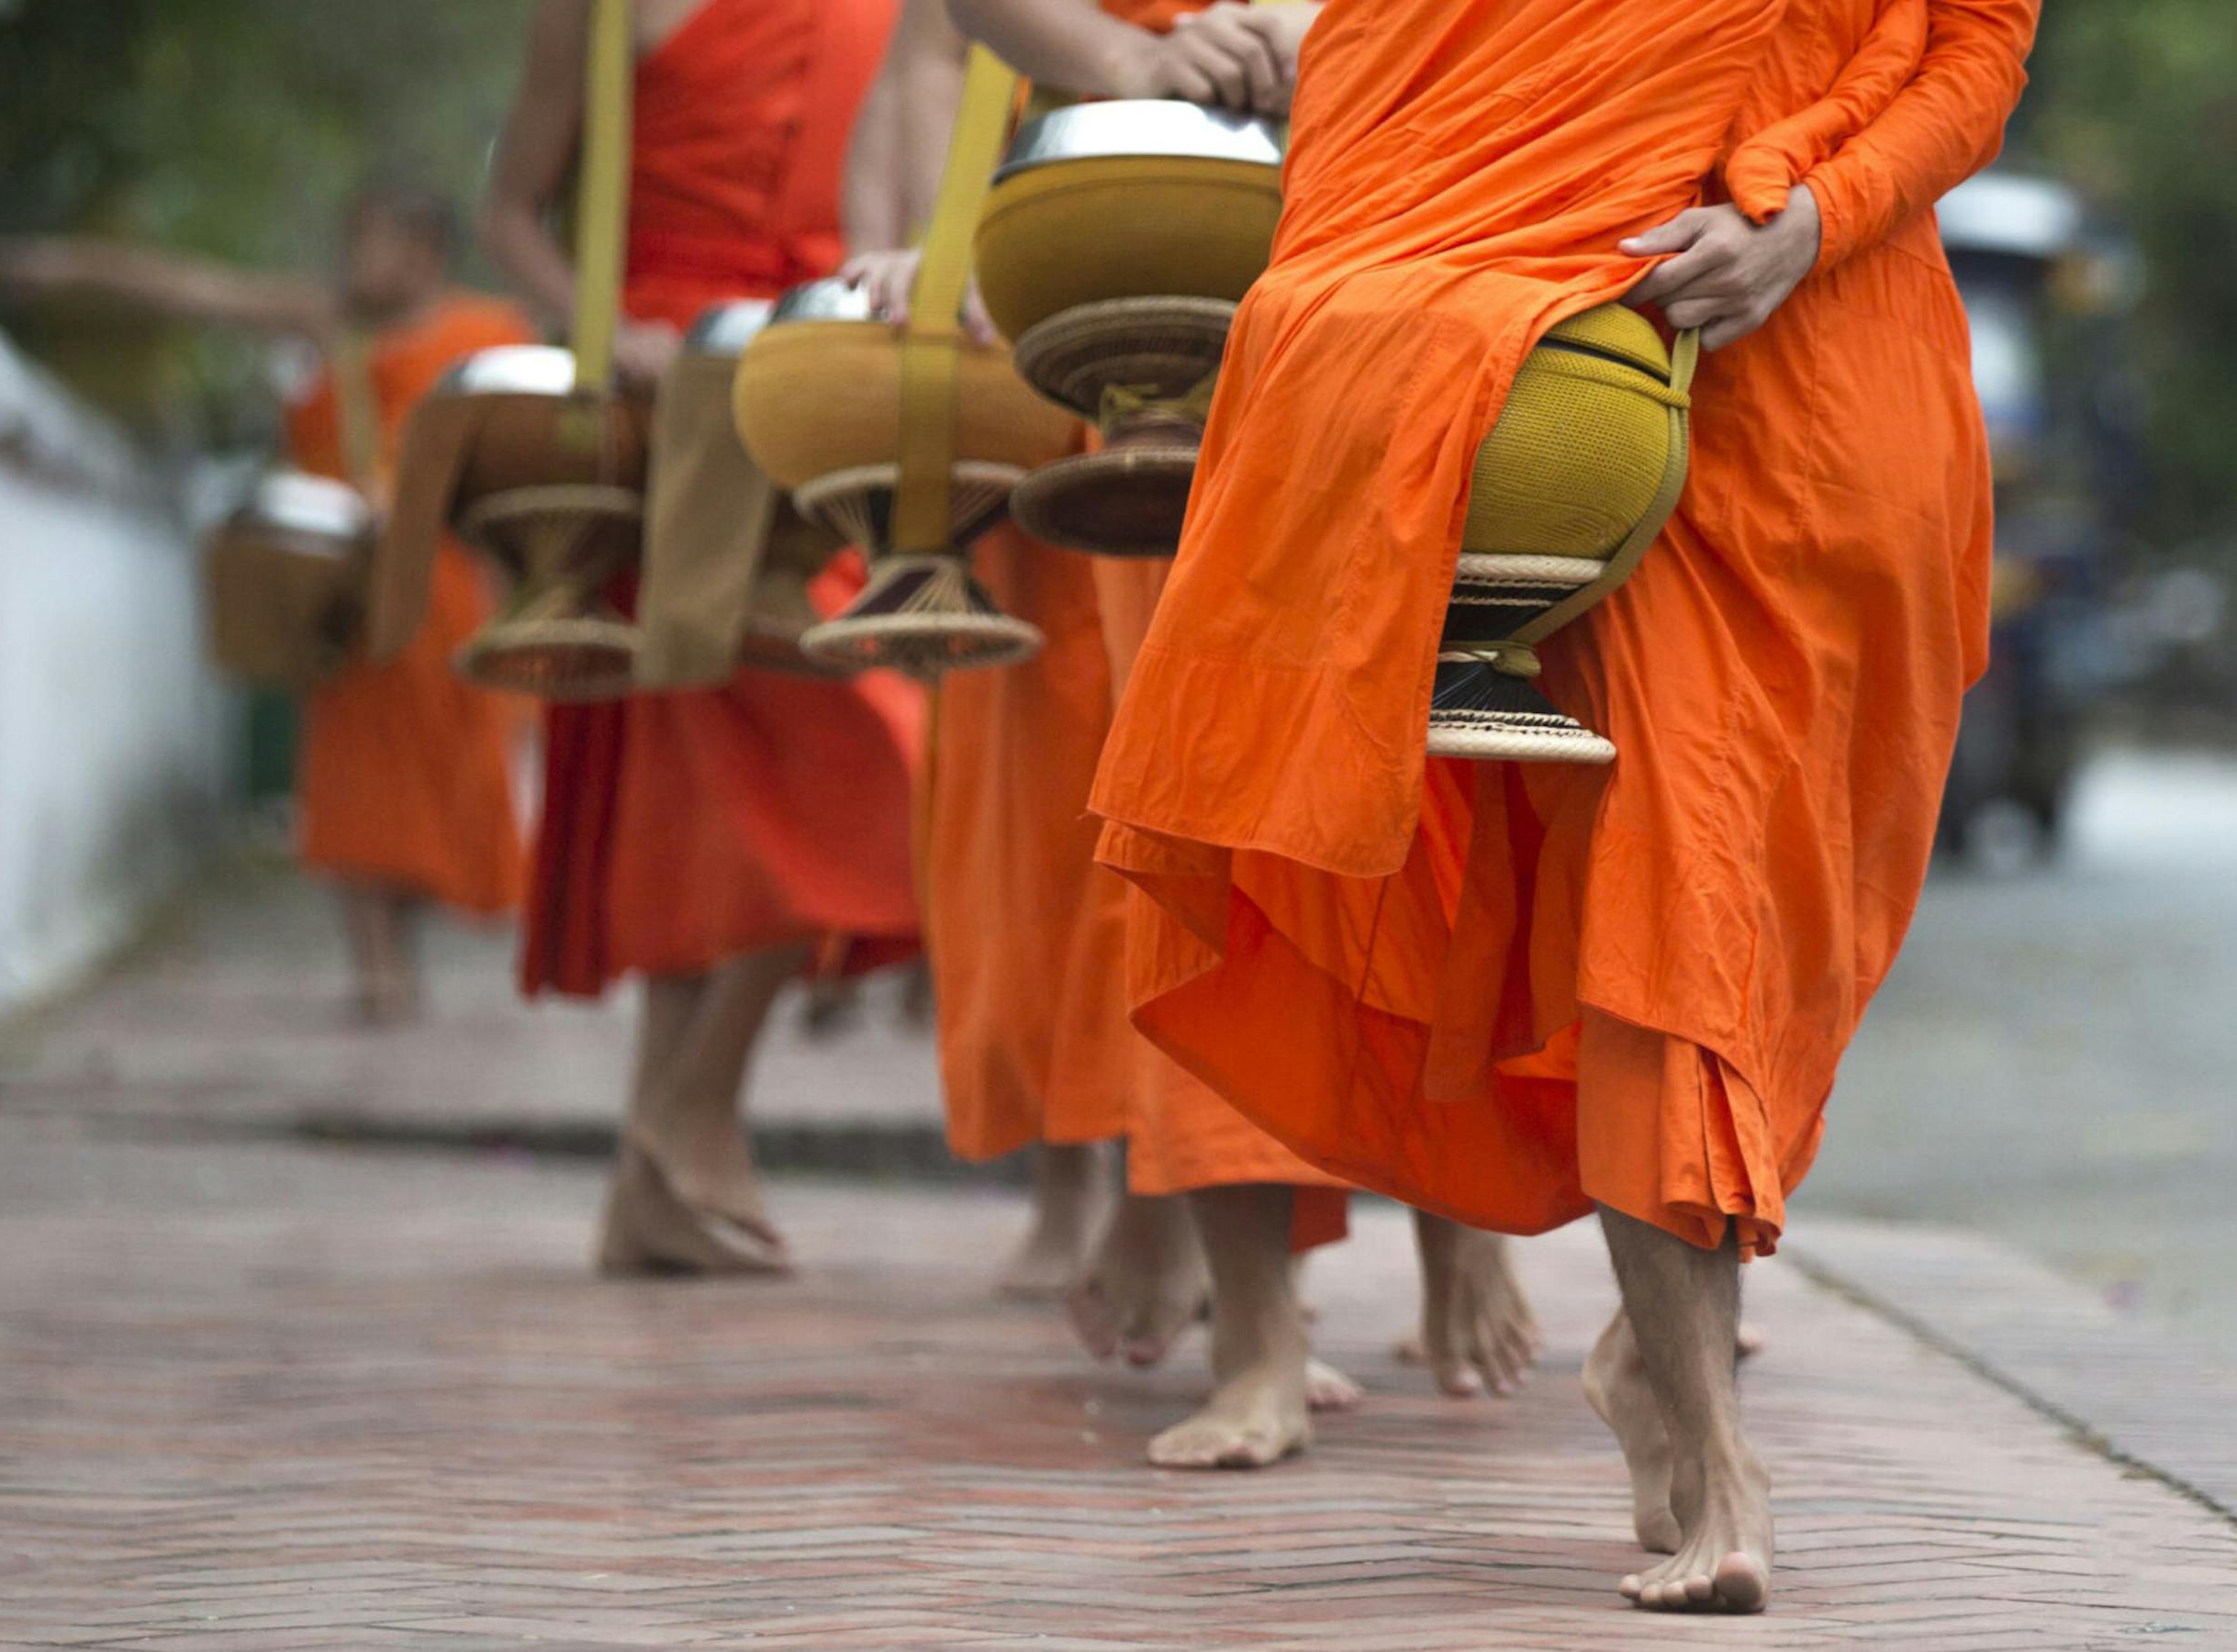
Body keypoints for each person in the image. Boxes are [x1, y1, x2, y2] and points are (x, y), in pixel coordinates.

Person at [1084, 0, 2037, 1609]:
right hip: (1589, 356)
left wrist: (1812, 224)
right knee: (1674, 892)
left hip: (1835, 364)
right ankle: (1719, 1447)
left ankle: (1664, 1360)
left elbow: (1978, 50)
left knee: (1779, 923)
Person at [848, 0, 1538, 1469]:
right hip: (1159, 285)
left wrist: (1332, 31)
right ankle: (1255, 1331)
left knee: (1424, 792)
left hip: (1407, 249)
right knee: (1205, 814)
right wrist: (1130, 70)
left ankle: (1464, 1213)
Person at [482, 0, 923, 1278]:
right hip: (676, 394)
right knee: (708, 801)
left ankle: (671, 1133)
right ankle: (668, 1146)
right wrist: (597, 327)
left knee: (874, 754)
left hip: (833, 387)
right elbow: (512, 210)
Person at [0, 182, 533, 1024]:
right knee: (354, 777)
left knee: (444, 784)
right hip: (340, 592)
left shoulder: (488, 336)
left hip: (447, 592)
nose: (356, 261)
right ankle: (378, 969)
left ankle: (404, 938)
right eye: (353, 239)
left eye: (376, 243)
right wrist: (72, 268)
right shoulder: (328, 323)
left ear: (425, 253)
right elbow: (194, 289)